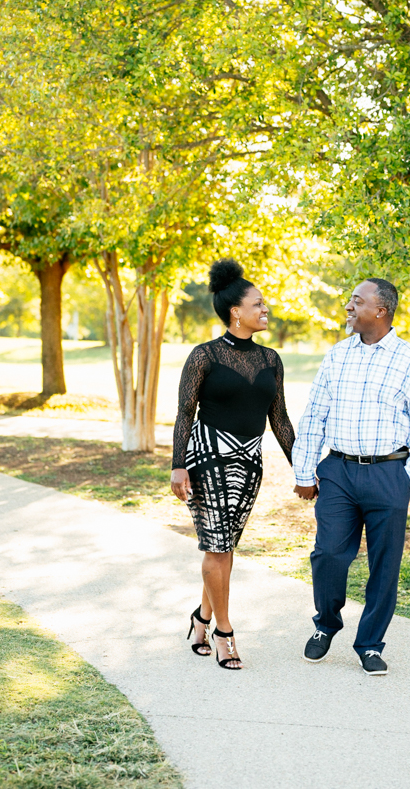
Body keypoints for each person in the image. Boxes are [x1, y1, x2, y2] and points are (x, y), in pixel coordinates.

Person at [292, 277, 410, 675]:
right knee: (327, 555)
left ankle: (371, 644)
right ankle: (326, 625)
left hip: (388, 474)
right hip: (339, 471)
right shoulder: (336, 356)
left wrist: (406, 478)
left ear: (381, 310)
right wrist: (304, 471)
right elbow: (314, 417)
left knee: (385, 565)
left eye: (357, 301)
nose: (349, 307)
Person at [171, 259, 295, 670]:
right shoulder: (203, 355)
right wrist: (177, 466)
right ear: (235, 311)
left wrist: (303, 466)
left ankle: (200, 617)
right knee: (217, 546)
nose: (265, 309)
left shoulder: (271, 360)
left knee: (225, 548)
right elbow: (185, 413)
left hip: (249, 463)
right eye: (258, 304)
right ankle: (224, 630)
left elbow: (279, 419)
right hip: (207, 459)